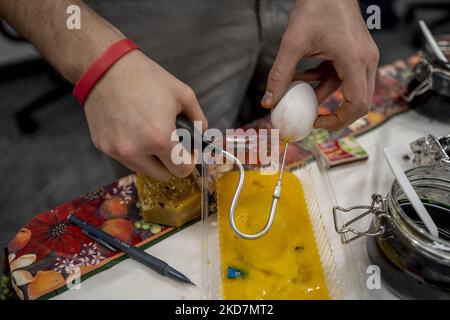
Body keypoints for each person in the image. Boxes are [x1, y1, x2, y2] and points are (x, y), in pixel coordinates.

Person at [0, 0, 379, 181]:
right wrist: (97, 61)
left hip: (297, 11)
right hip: (162, 26)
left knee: (271, 148)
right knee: (181, 169)